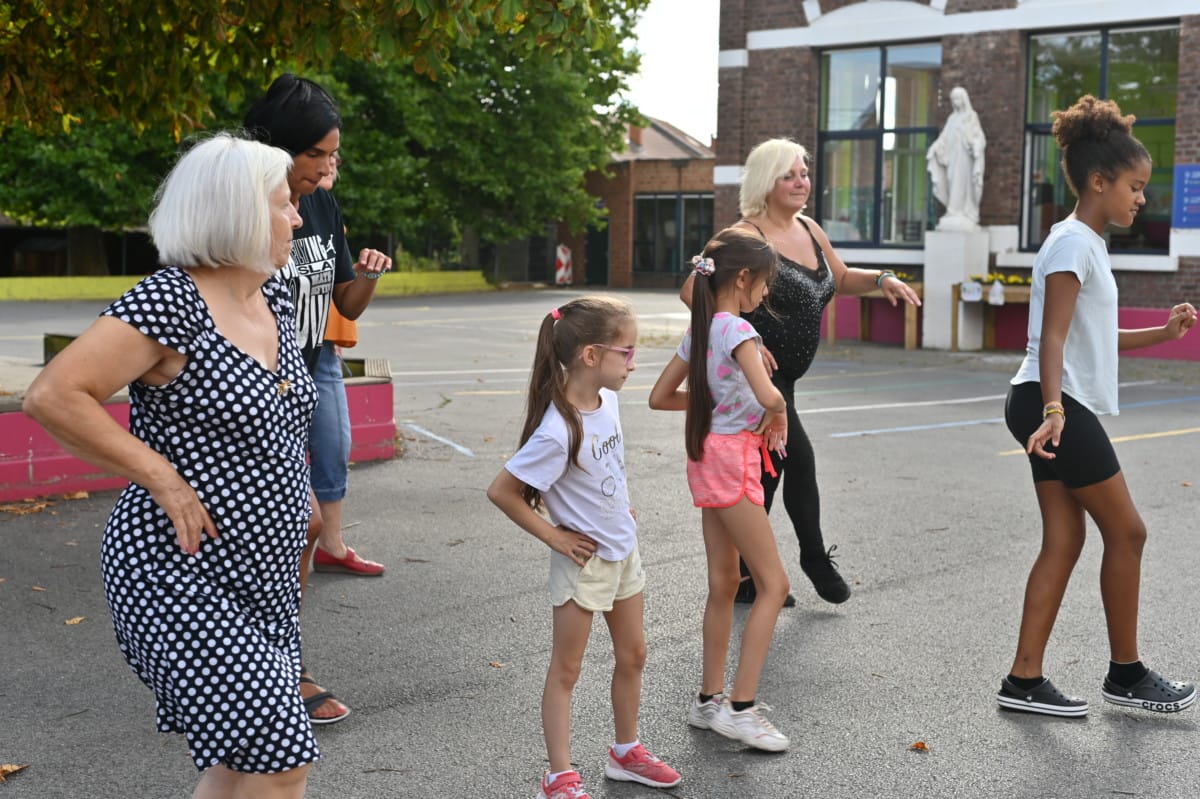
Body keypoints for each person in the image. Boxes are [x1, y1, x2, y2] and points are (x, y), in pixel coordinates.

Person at [23, 134, 317, 797]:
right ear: (240, 213)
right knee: (280, 757)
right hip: (177, 570)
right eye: (284, 204)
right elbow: (54, 395)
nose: (297, 218)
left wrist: (302, 499)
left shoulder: (274, 297)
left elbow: (280, 418)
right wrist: (162, 477)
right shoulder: (172, 301)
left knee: (238, 762)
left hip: (264, 578)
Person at [997, 95, 1197, 718]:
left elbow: (1091, 336)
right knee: (1128, 531)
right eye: (1134, 187)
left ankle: (1023, 681)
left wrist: (1161, 333)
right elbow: (1052, 338)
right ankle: (1126, 673)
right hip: (1053, 402)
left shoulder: (1084, 243)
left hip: (1045, 400)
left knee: (1064, 540)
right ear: (1099, 182)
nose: (1141, 198)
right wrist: (1055, 410)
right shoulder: (1072, 245)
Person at [681, 138, 921, 606]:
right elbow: (694, 291)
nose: (801, 182)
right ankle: (813, 559)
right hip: (756, 380)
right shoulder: (743, 236)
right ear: (765, 182)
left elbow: (840, 277)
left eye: (804, 174)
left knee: (769, 470)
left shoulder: (809, 229)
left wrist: (882, 278)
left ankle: (747, 576)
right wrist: (746, 338)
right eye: (789, 175)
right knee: (798, 457)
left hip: (787, 380)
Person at [487, 297, 681, 799]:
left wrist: (620, 509)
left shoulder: (608, 401)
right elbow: (502, 492)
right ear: (591, 355)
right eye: (627, 351)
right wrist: (554, 535)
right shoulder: (557, 430)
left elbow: (606, 469)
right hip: (584, 563)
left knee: (634, 654)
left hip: (623, 551)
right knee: (567, 669)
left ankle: (625, 753)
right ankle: (559, 777)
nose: (633, 362)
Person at [244, 73, 391, 726]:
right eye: (318, 155)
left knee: (299, 523)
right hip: (252, 389)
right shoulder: (236, 212)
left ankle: (273, 664)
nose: (329, 169)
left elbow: (341, 302)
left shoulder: (319, 208)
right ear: (277, 149)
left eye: (334, 155)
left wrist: (370, 275)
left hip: (304, 373)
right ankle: (267, 668)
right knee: (282, 530)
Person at [649, 227, 792, 752]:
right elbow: (769, 394)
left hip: (708, 457)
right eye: (765, 284)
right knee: (773, 583)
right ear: (744, 277)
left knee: (725, 582)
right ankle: (741, 708)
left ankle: (710, 700)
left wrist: (714, 404)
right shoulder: (738, 331)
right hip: (734, 462)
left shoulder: (703, 330)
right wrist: (777, 410)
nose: (766, 293)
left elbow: (660, 396)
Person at [926, 86, 987, 230]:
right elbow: (944, 137)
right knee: (952, 181)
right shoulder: (952, 119)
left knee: (963, 182)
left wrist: (975, 145)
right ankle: (953, 210)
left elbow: (979, 137)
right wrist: (934, 147)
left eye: (958, 98)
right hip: (952, 158)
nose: (955, 102)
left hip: (965, 158)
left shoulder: (971, 117)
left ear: (964, 99)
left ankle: (964, 211)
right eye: (953, 99)